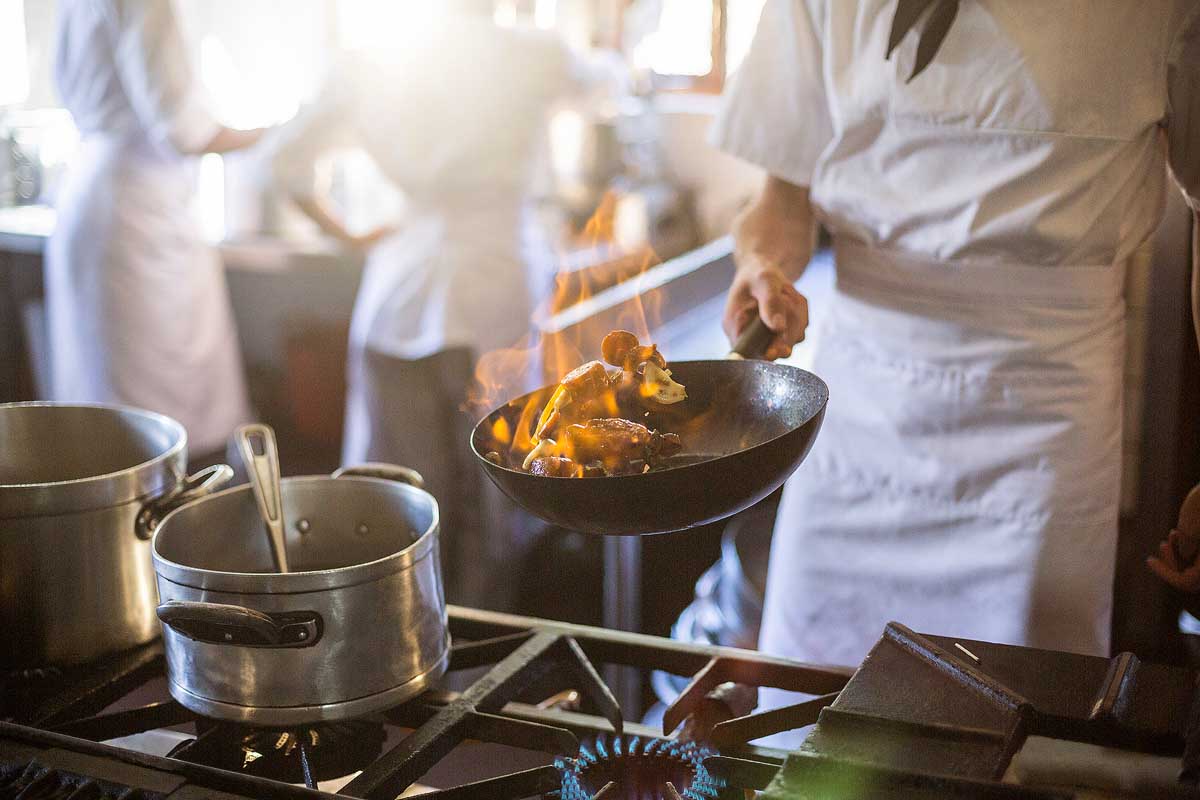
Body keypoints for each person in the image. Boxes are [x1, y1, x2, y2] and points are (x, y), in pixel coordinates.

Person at [713, 0, 1200, 668]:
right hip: (859, 401)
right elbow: (780, 200)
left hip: (1046, 410)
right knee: (811, 703)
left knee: (1015, 711)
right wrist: (761, 266)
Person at [271, 0, 620, 606]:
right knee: (494, 498)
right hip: (495, 288)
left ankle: (388, 653)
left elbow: (282, 161)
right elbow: (610, 83)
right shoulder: (530, 51)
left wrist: (349, 235)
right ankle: (478, 656)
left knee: (393, 503)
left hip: (400, 286)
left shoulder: (373, 59)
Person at [47, 0, 262, 459]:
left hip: (92, 198)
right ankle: (172, 522)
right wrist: (281, 130)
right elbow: (185, 129)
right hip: (138, 214)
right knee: (160, 417)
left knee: (103, 405)